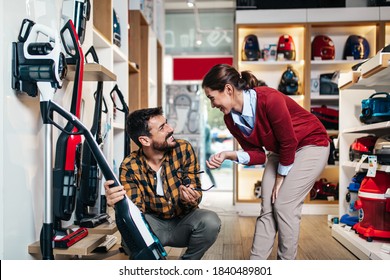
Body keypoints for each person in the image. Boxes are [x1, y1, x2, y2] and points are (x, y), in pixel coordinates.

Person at [201, 64, 330, 260]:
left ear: (228, 89)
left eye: (212, 98)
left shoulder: (270, 98)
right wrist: (229, 154)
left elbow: (289, 141)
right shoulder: (230, 119)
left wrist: (280, 177)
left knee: (284, 205)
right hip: (280, 150)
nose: (212, 105)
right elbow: (258, 154)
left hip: (311, 143)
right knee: (268, 206)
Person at [104, 107, 221, 260]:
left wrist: (191, 197)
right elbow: (135, 212)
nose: (170, 128)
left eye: (166, 123)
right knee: (130, 236)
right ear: (145, 140)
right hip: (153, 226)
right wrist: (119, 204)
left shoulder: (183, 149)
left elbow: (196, 190)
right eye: (162, 127)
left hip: (183, 221)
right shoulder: (130, 165)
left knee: (210, 221)